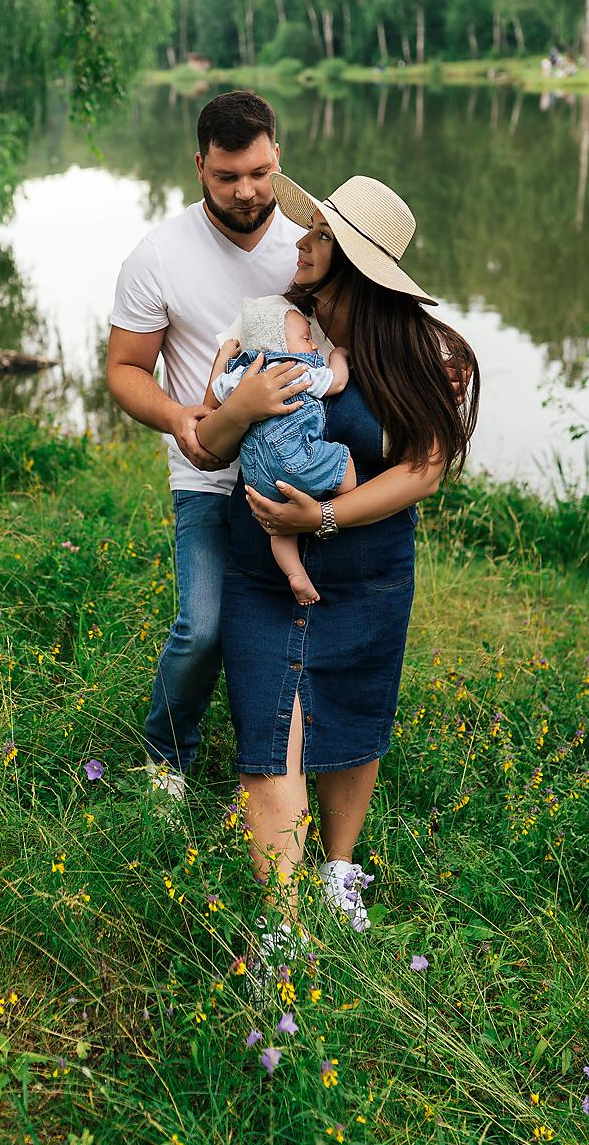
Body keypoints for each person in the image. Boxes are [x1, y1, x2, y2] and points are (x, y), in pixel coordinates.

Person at [196, 172, 479, 954]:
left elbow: (422, 468)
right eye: (310, 230)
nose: (300, 243)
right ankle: (284, 929)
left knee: (355, 718)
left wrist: (319, 514)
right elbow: (211, 445)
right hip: (261, 567)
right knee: (267, 731)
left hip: (370, 573)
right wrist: (242, 409)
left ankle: (339, 873)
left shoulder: (423, 354)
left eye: (318, 235)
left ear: (354, 258)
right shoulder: (277, 329)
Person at [107, 90, 304, 797]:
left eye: (260, 171)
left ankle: (296, 759)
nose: (249, 191)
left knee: (302, 632)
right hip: (208, 474)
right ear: (199, 166)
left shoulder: (313, 248)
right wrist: (176, 419)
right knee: (204, 627)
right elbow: (126, 369)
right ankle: (165, 758)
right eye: (228, 177)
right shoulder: (158, 255)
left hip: (301, 474)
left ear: (277, 153)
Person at [207, 294, 356, 605]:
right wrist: (339, 355)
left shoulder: (242, 376)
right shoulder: (298, 370)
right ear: (277, 343)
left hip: (256, 476)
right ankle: (337, 501)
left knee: (277, 527)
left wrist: (223, 355)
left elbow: (217, 389)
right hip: (297, 460)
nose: (313, 346)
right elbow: (338, 383)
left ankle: (295, 575)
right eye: (305, 338)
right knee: (345, 463)